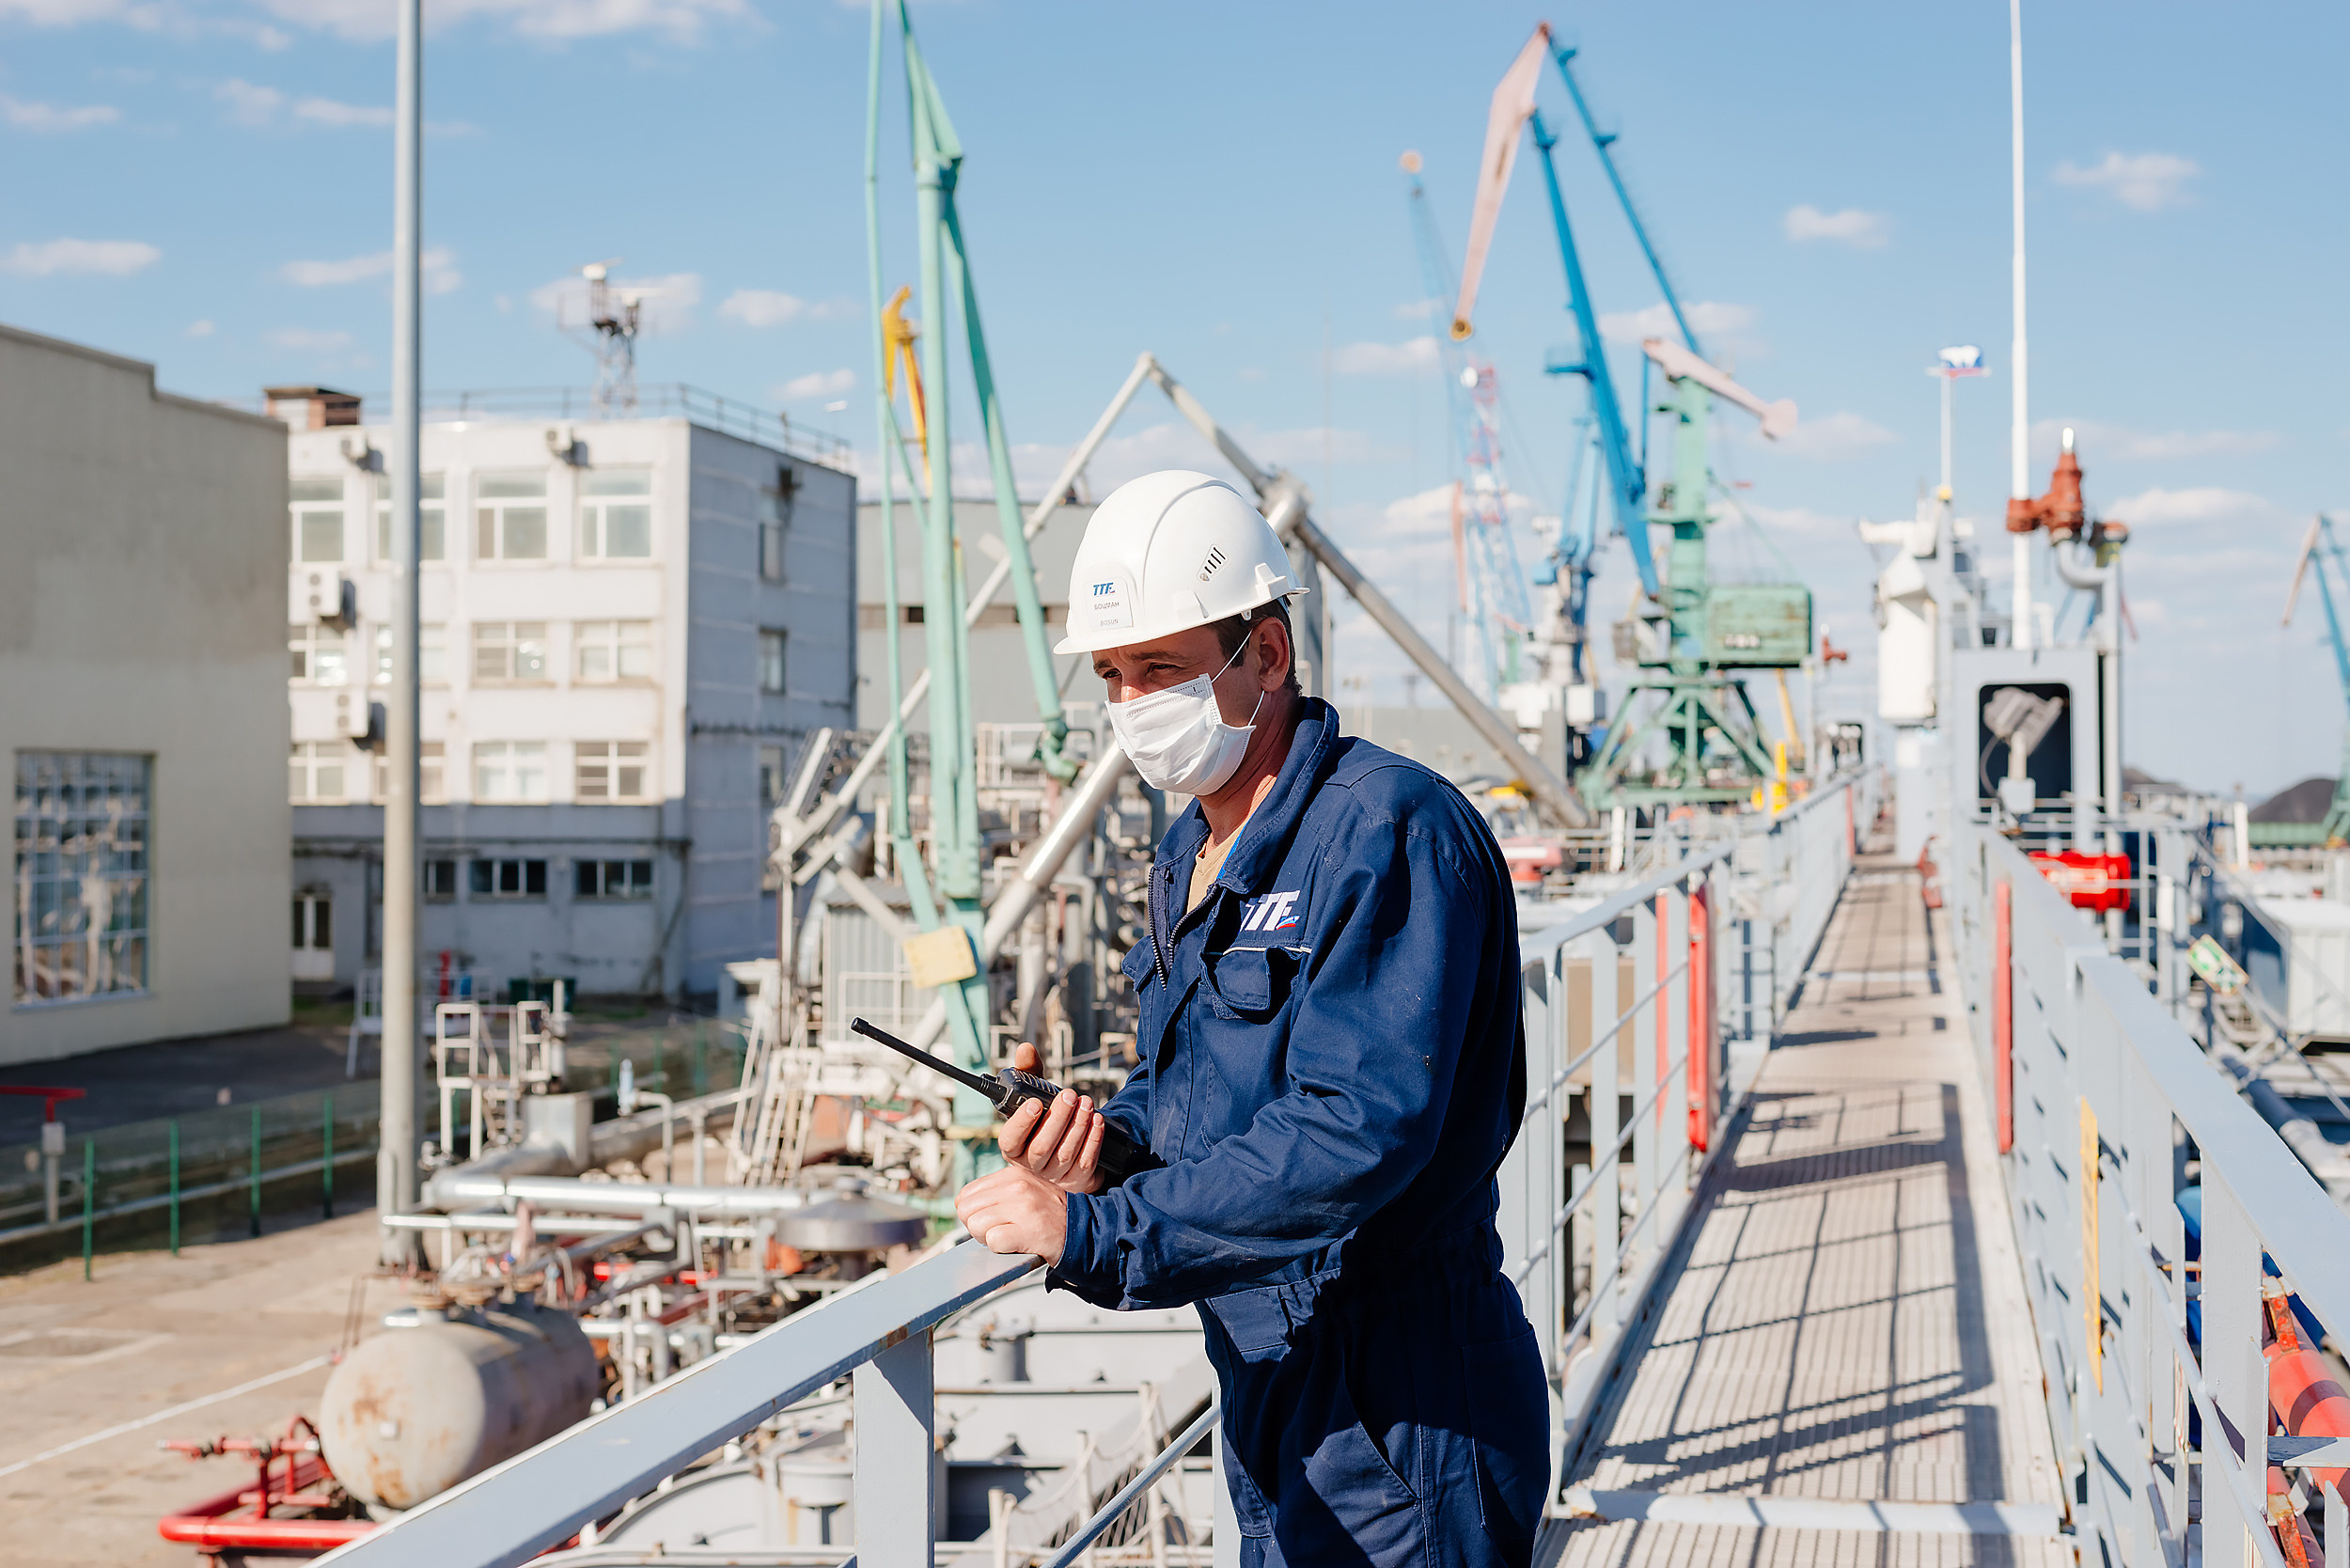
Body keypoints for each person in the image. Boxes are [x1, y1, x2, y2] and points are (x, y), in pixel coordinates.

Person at [954, 471, 1548, 1567]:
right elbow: (1196, 1094)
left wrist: (1101, 1236)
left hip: (1400, 1391)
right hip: (1269, 1371)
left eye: (1163, 670)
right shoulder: (1191, 848)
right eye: (1115, 675)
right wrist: (1101, 1150)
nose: (1134, 703)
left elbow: (1354, 1129)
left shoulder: (1389, 829)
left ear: (1266, 655)